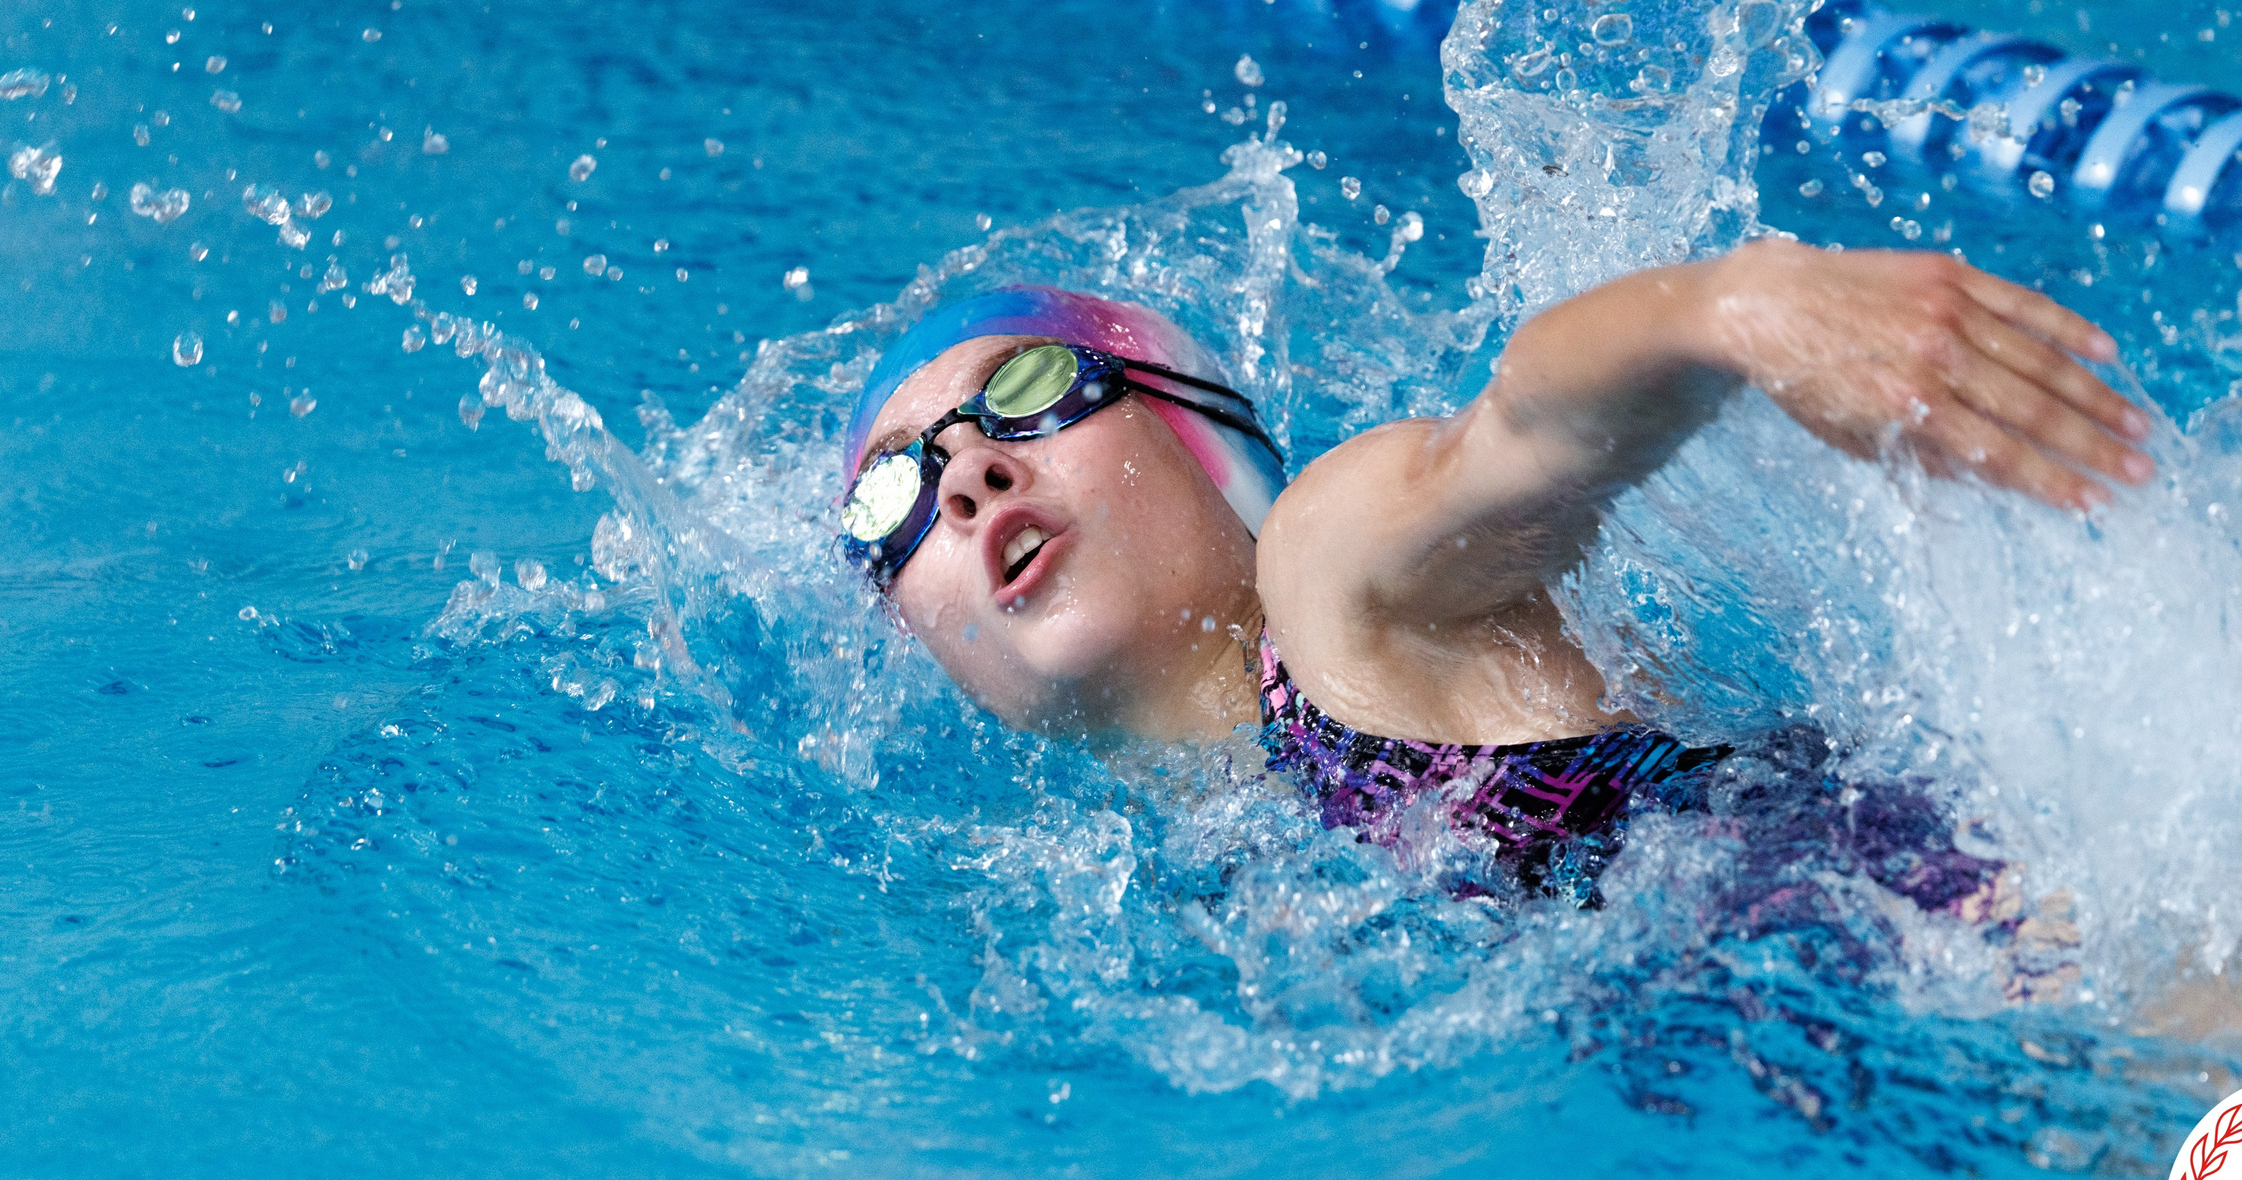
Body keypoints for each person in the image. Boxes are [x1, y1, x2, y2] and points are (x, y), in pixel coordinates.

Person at [836, 241, 2152, 909]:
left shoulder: (1325, 584)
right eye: (891, 496)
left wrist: (1731, 309)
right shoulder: (1184, 851)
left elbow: (1524, 430)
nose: (966, 477)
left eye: (1025, 391)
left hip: (2038, 951)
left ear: (1201, 430)